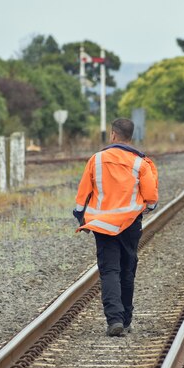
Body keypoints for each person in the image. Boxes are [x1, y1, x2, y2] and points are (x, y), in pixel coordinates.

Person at [73, 118, 158, 337]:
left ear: (112, 135)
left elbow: (82, 193)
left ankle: (115, 320)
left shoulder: (97, 160)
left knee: (110, 270)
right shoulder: (141, 163)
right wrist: (147, 207)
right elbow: (151, 198)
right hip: (130, 224)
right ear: (131, 137)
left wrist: (80, 215)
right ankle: (126, 320)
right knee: (127, 268)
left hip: (103, 224)